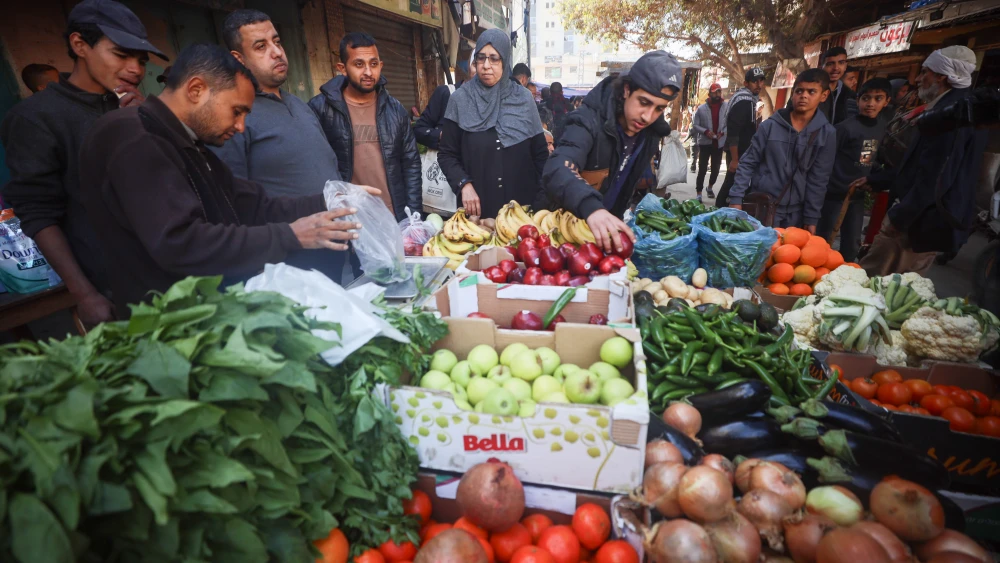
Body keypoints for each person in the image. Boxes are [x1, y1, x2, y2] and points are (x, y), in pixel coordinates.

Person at [78, 44, 371, 314]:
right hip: (169, 322)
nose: (241, 126)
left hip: (211, 311)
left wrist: (330, 200)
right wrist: (291, 235)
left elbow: (253, 205)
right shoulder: (135, 137)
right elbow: (181, 241)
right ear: (196, 89)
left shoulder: (191, 146)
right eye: (236, 111)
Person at [0, 0, 165, 326]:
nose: (136, 68)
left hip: (170, 269)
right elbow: (39, 213)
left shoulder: (135, 109)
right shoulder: (36, 118)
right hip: (111, 286)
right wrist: (84, 293)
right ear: (79, 45)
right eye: (122, 54)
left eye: (141, 60)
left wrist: (149, 126)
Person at [211, 9, 347, 282]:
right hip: (285, 262)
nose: (276, 52)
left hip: (332, 250)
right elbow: (230, 198)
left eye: (277, 41)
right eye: (261, 46)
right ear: (239, 59)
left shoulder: (298, 103)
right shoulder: (236, 114)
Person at [858, 46, 987, 276]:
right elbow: (918, 163)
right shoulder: (958, 107)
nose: (917, 79)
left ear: (942, 77)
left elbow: (937, 175)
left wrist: (900, 217)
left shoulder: (952, 113)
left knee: (873, 282)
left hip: (918, 222)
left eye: (924, 72)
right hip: (921, 218)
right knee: (898, 288)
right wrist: (877, 179)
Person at [542, 50, 680, 253]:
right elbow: (558, 167)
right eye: (643, 102)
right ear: (626, 90)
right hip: (559, 235)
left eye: (659, 108)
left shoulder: (650, 133)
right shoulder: (587, 120)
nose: (648, 116)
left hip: (602, 238)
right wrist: (592, 207)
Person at [309, 32, 421, 222]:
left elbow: (411, 164)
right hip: (348, 217)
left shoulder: (395, 110)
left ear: (381, 66)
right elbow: (313, 166)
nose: (369, 72)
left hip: (392, 215)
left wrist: (414, 217)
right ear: (342, 68)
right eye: (359, 64)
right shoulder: (320, 109)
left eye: (374, 64)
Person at [437, 29, 548, 218]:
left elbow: (540, 155)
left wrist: (543, 200)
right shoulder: (460, 100)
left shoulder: (523, 99)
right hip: (478, 210)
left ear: (505, 60)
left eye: (494, 58)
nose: (486, 65)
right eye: (481, 58)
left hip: (521, 209)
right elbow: (447, 154)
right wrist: (464, 184)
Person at [729, 68, 836, 231]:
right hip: (763, 207)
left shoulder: (826, 134)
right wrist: (736, 199)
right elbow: (747, 163)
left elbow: (819, 179)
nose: (804, 95)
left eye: (811, 91)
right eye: (799, 90)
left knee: (788, 255)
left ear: (824, 95)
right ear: (793, 93)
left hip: (796, 215)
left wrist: (811, 218)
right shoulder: (770, 127)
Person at [815, 78, 892, 263]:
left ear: (887, 101)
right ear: (858, 100)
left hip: (856, 196)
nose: (871, 104)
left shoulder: (882, 128)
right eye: (866, 98)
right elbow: (825, 160)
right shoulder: (844, 129)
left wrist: (874, 178)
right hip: (833, 196)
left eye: (877, 98)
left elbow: (869, 157)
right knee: (822, 243)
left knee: (851, 245)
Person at [716, 67, 766, 206]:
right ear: (746, 83)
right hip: (738, 154)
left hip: (743, 152)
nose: (758, 85)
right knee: (731, 185)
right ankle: (717, 213)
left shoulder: (751, 101)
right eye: (754, 82)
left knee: (734, 184)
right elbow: (733, 132)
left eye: (761, 81)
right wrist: (735, 159)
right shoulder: (743, 101)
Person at [692, 83, 727, 200]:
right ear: (709, 94)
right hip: (705, 143)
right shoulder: (701, 109)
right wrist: (706, 131)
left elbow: (729, 123)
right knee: (702, 168)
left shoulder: (726, 107)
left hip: (719, 143)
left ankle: (710, 187)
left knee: (716, 169)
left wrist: (723, 132)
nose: (717, 95)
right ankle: (699, 193)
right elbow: (695, 125)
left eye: (719, 92)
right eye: (714, 92)